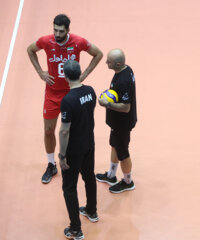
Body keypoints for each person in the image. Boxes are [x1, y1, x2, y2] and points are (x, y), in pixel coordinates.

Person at [27, 14, 103, 184]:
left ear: (68, 30)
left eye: (61, 31)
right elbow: (30, 50)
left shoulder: (78, 42)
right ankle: (51, 164)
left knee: (74, 131)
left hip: (72, 93)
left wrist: (84, 75)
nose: (57, 34)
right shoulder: (46, 41)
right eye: (54, 29)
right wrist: (40, 72)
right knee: (48, 130)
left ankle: (73, 160)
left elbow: (98, 54)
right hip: (52, 94)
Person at [59, 60, 98, 240]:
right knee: (89, 176)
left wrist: (62, 155)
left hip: (74, 149)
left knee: (69, 187)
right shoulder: (90, 91)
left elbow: (65, 130)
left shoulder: (68, 100)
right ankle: (92, 211)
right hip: (89, 143)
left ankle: (76, 229)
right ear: (80, 72)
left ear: (65, 76)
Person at [96, 49, 137, 194]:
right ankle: (111, 176)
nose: (106, 62)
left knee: (123, 152)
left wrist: (107, 104)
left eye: (109, 61)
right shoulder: (126, 70)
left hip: (122, 124)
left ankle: (127, 182)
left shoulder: (123, 81)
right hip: (116, 123)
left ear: (118, 64)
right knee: (114, 145)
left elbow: (126, 107)